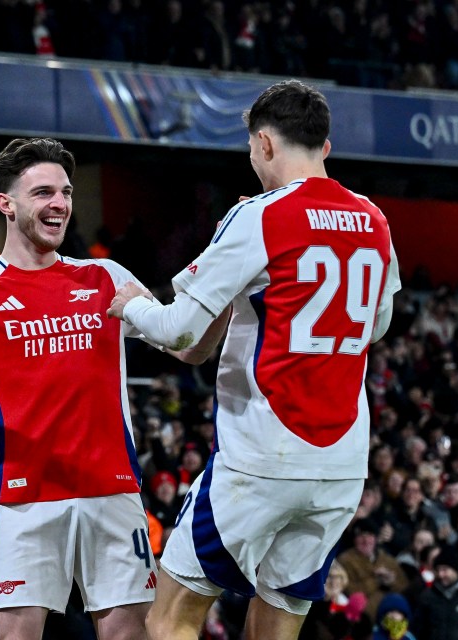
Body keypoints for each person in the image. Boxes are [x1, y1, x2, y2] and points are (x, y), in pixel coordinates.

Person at [0, 137, 227, 639]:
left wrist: (225, 287)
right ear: (6, 204)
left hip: (113, 493)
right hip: (25, 500)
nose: (59, 203)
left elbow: (189, 348)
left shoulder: (105, 277)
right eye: (42, 192)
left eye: (65, 192)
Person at [109, 79, 401, 639]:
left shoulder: (260, 215)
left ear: (264, 144)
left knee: (170, 617)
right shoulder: (374, 218)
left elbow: (179, 331)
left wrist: (131, 307)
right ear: (325, 149)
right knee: (276, 629)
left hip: (261, 456)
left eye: (250, 150)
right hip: (341, 466)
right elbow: (377, 325)